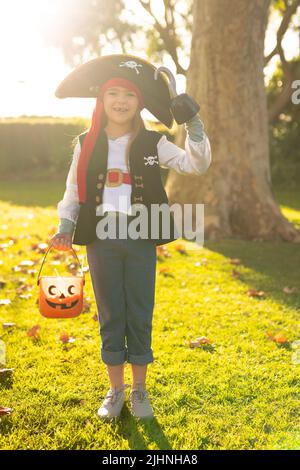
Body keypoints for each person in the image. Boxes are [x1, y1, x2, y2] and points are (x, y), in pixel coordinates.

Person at [50, 54, 212, 421]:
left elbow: (195, 165)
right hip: (100, 238)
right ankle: (116, 390)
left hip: (140, 235)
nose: (121, 101)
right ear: (102, 99)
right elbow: (73, 192)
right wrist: (65, 226)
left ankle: (139, 390)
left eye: (130, 95)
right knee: (110, 313)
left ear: (140, 103)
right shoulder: (85, 143)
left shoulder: (154, 143)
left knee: (139, 310)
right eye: (114, 93)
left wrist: (195, 127)